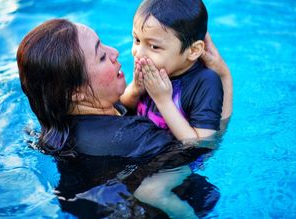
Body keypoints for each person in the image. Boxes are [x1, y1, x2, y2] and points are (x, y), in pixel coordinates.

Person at [17, 18, 231, 217]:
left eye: (104, 45)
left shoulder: (56, 127)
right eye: (101, 56)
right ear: (76, 93)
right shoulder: (133, 136)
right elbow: (202, 147)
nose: (115, 52)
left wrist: (136, 89)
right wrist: (223, 77)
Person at [121, 0, 233, 141]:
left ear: (193, 51)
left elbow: (202, 144)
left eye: (154, 46)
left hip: (174, 162)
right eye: (137, 40)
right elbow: (124, 106)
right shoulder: (151, 66)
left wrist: (163, 100)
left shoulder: (205, 82)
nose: (138, 53)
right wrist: (135, 89)